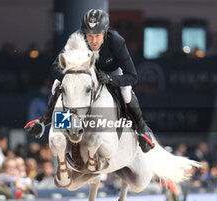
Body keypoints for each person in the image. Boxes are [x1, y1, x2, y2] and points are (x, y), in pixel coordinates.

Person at [25, 9, 154, 153]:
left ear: (105, 33)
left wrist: (111, 79)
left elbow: (132, 76)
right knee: (57, 84)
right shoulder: (76, 38)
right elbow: (55, 67)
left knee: (126, 90)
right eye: (89, 35)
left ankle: (142, 129)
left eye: (97, 36)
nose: (92, 40)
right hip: (82, 75)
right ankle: (44, 121)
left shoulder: (116, 41)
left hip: (110, 72)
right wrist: (73, 79)